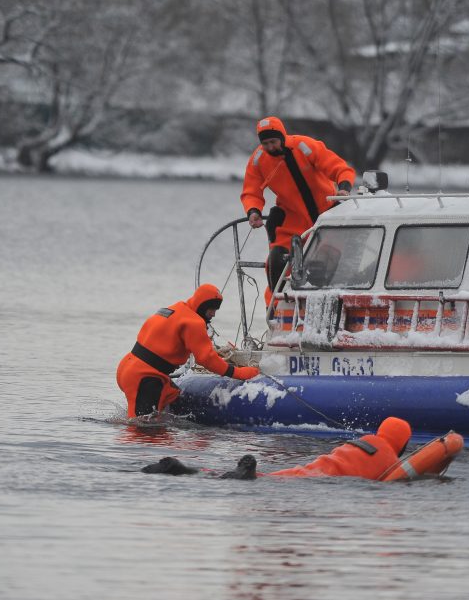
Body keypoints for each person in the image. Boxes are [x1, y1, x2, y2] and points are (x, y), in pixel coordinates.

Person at [241, 116, 356, 300]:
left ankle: (322, 304)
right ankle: (276, 310)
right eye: (265, 143)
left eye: (273, 141)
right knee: (275, 263)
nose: (270, 147)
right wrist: (253, 211)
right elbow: (251, 191)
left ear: (282, 136)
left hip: (327, 216)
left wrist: (343, 188)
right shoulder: (258, 160)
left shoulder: (306, 146)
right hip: (292, 220)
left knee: (323, 267)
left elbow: (340, 168)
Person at [116, 284, 260, 418]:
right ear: (203, 306)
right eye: (212, 309)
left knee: (169, 399)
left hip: (129, 367)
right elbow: (206, 359)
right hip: (145, 377)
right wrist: (238, 373)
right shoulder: (194, 323)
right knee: (143, 430)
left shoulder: (175, 309)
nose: (214, 314)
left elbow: (168, 342)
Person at [139, 417, 411, 480]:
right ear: (402, 444)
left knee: (270, 478)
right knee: (260, 480)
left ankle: (184, 469)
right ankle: (189, 471)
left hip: (311, 469)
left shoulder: (365, 439)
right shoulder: (390, 461)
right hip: (322, 480)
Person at [266, 416, 412, 479]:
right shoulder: (392, 464)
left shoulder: (366, 439)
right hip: (333, 478)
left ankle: (259, 475)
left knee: (298, 473)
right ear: (402, 444)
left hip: (324, 464)